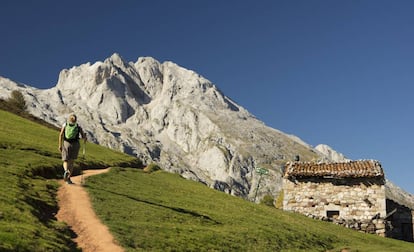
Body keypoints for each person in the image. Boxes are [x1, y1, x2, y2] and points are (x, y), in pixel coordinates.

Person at [58, 114, 87, 184]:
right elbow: (83, 137)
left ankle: (66, 171)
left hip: (66, 143)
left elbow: (61, 134)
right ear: (76, 120)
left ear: (69, 119)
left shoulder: (65, 125)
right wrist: (85, 137)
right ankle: (68, 179)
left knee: (65, 160)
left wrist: (60, 145)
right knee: (71, 162)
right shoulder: (78, 127)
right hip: (75, 145)